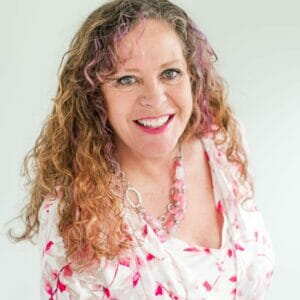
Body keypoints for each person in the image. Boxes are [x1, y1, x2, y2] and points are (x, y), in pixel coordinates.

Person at [10, 0, 275, 298]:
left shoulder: (223, 142)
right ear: (95, 98)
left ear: (193, 76)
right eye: (126, 79)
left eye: (170, 73)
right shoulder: (74, 214)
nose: (155, 98)